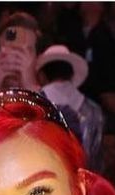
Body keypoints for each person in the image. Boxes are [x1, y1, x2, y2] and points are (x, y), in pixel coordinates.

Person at [36, 42, 105, 170]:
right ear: (71, 74)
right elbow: (95, 158)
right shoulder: (94, 110)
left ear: (42, 75)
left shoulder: (33, 105)